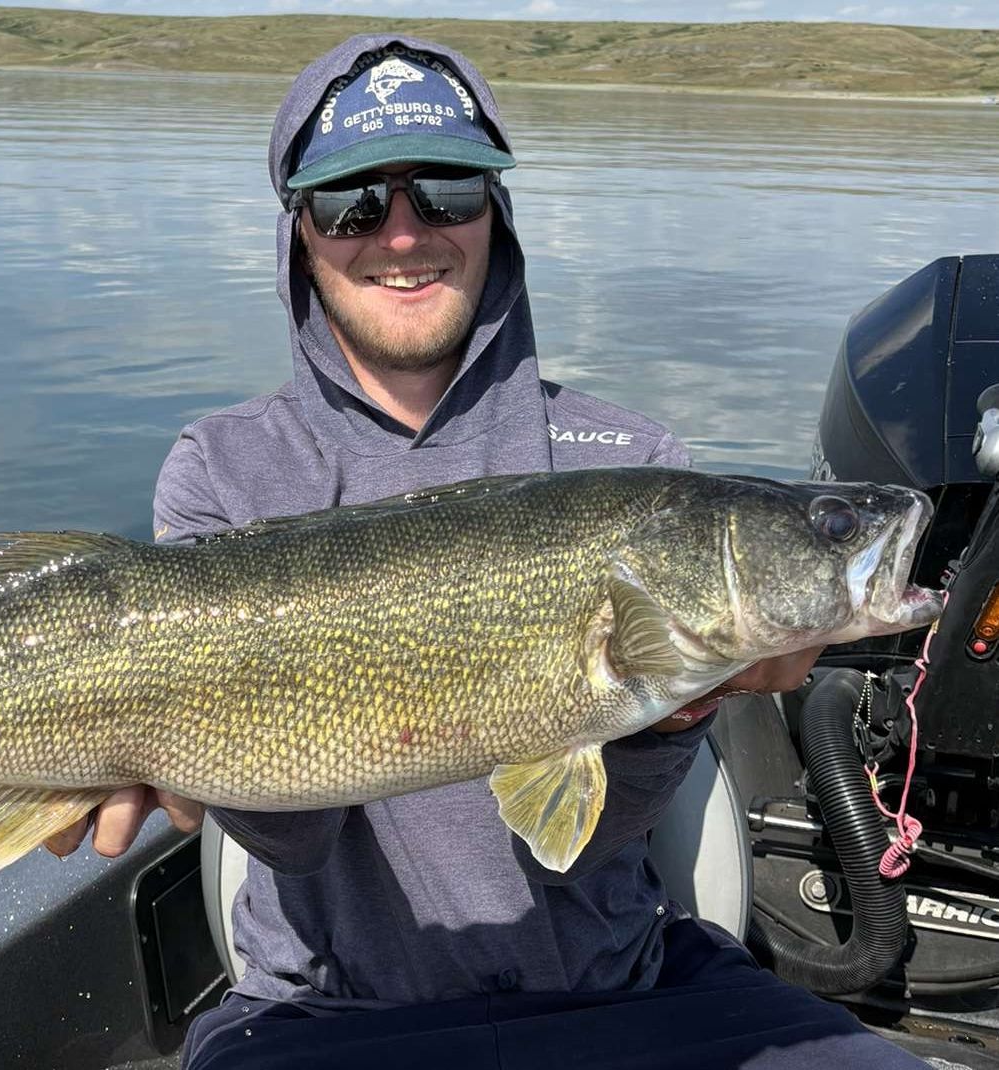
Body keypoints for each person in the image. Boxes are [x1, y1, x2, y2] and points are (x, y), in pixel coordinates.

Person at [47, 34, 929, 1069]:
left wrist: (681, 703)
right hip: (334, 1015)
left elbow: (588, 838)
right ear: (301, 233)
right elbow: (288, 842)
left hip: (622, 990)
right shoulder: (224, 472)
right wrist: (198, 754)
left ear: (494, 210)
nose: (405, 233)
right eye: (352, 203)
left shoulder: (634, 458)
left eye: (447, 188)